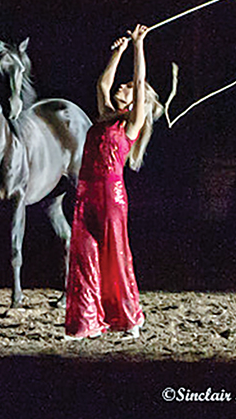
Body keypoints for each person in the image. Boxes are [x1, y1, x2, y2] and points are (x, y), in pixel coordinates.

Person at [64, 24, 163, 340]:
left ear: (136, 99)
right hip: (85, 192)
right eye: (123, 85)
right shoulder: (107, 115)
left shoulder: (133, 122)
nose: (122, 86)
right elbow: (102, 83)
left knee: (115, 257)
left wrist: (138, 46)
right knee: (83, 257)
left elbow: (138, 79)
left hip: (111, 195)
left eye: (128, 86)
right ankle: (85, 323)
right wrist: (117, 52)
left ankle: (130, 318)